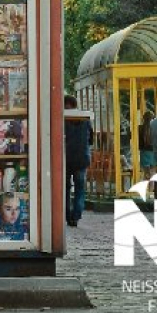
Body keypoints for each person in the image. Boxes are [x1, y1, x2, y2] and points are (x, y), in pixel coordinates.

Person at [64, 95, 91, 227]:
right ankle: (76, 215)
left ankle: (67, 215)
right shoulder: (85, 119)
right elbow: (90, 139)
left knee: (66, 189)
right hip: (82, 158)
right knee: (80, 189)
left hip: (66, 158)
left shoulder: (63, 119)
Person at [139, 110, 157, 180]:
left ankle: (145, 189)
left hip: (143, 152)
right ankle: (151, 190)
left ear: (143, 118)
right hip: (153, 152)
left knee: (146, 173)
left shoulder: (139, 128)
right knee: (152, 173)